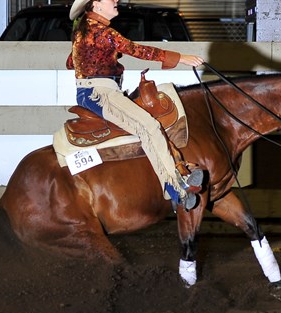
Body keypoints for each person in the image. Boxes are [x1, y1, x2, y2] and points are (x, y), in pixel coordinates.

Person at [66, 0, 205, 210]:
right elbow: (135, 49)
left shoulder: (86, 30)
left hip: (94, 90)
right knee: (149, 126)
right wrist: (180, 58)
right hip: (101, 93)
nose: (116, 1)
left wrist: (103, 55)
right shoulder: (101, 32)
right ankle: (175, 185)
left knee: (145, 125)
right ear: (96, 4)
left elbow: (71, 63)